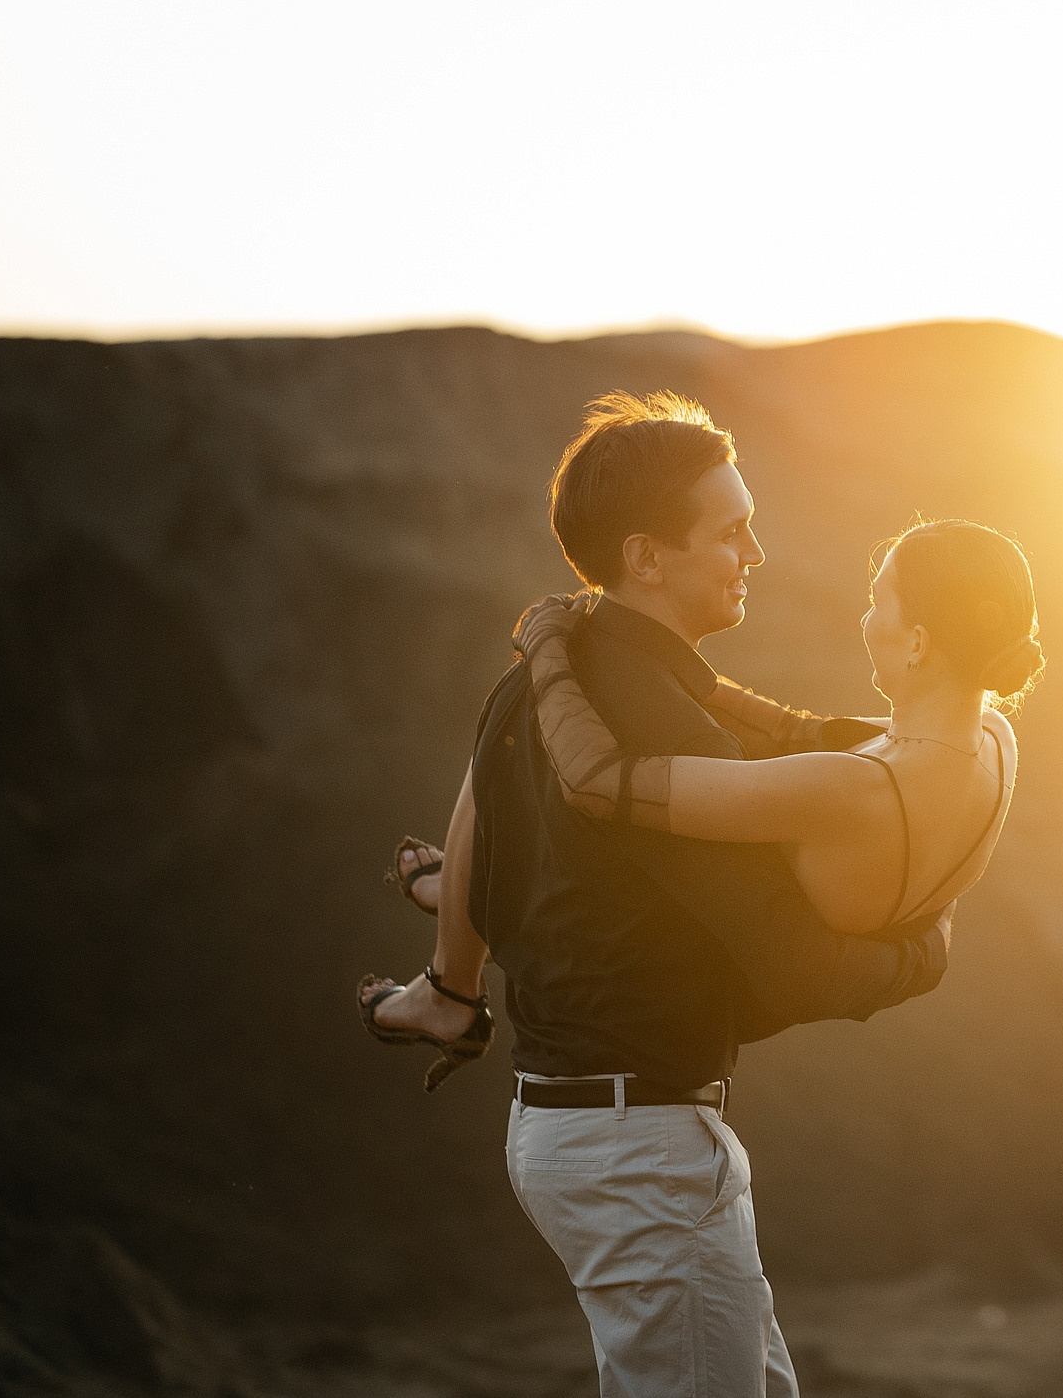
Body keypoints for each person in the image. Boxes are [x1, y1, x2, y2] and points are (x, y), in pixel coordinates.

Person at [355, 390, 982, 1398]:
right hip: (635, 1149)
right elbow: (786, 960)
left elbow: (480, 798)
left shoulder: (545, 677)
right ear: (647, 555)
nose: (756, 552)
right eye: (731, 530)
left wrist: (455, 960)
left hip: (597, 1134)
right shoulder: (655, 726)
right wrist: (928, 946)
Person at [511, 515, 1038, 936]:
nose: (865, 619)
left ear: (919, 643)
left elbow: (596, 781)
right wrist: (663, 662)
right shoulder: (993, 738)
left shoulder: (853, 789)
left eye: (878, 602)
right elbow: (794, 732)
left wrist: (546, 644)